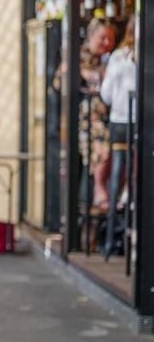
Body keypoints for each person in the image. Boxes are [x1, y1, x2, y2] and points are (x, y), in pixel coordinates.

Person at [54, 18, 116, 211]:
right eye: (102, 37)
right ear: (91, 36)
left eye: (110, 39)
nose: (106, 43)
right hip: (83, 122)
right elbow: (58, 83)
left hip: (106, 119)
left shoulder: (111, 59)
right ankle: (97, 195)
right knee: (98, 151)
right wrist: (82, 74)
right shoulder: (77, 55)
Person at [100, 15, 136, 257]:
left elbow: (106, 94)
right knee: (129, 174)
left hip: (122, 121)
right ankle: (122, 230)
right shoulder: (126, 58)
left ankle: (115, 234)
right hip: (132, 122)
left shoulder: (120, 58)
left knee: (120, 174)